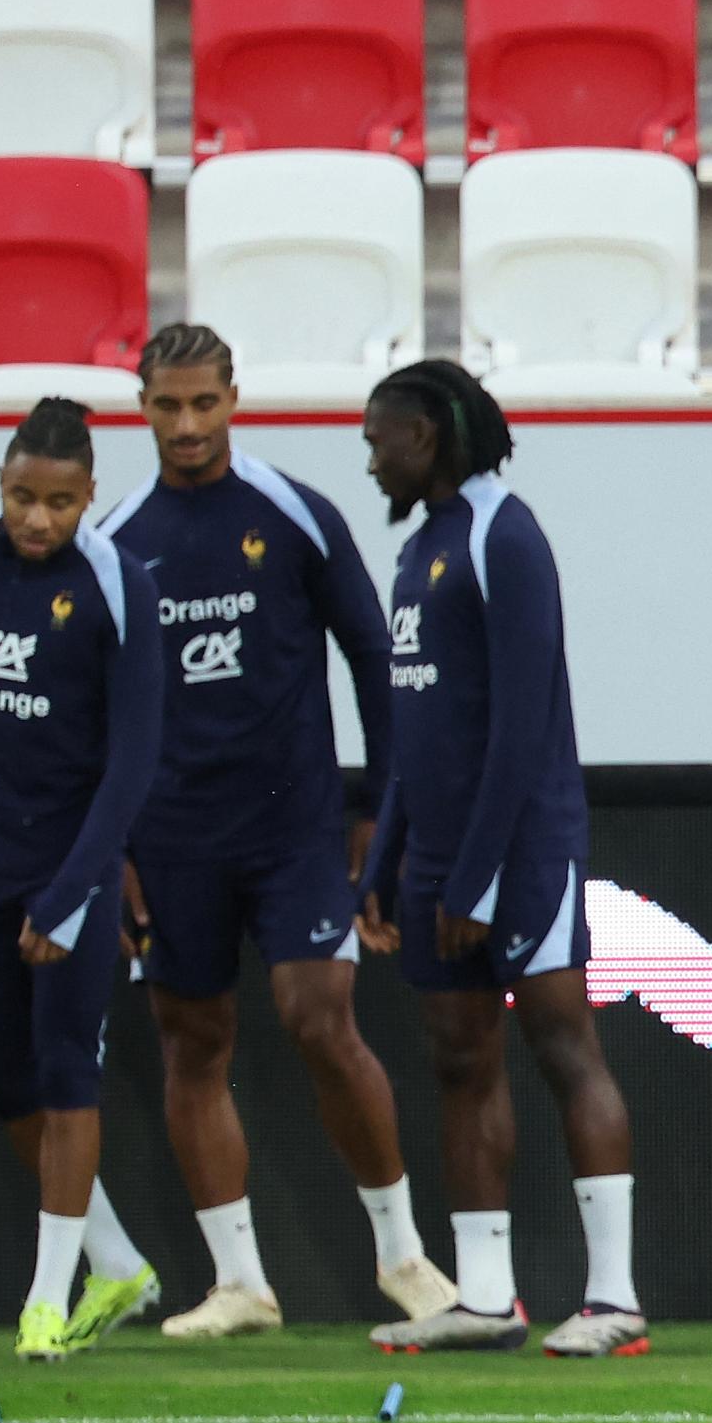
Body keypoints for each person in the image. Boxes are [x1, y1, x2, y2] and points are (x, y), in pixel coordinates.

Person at [96, 323, 449, 1338]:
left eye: (205, 403)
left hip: (294, 826)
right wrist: (114, 843)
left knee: (318, 1016)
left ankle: (404, 1256)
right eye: (168, 405)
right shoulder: (118, 536)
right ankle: (240, 1280)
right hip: (170, 834)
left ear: (235, 397)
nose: (188, 424)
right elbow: (95, 707)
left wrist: (379, 812)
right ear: (144, 406)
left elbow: (375, 660)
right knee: (191, 1041)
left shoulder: (295, 514)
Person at [353, 361, 646, 1357]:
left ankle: (614, 1299)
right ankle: (486, 1298)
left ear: (426, 435)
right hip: (439, 857)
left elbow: (523, 724)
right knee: (459, 1058)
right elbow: (415, 732)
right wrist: (385, 863)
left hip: (519, 851)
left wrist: (476, 873)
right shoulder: (419, 548)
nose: (370, 455)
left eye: (377, 437)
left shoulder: (504, 535)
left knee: (565, 1047)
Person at [0, 399, 166, 1359]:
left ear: (90, 495)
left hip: (75, 866)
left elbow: (133, 762)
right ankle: (117, 1265)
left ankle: (47, 1305)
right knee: (4, 1077)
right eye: (22, 496)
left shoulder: (121, 585)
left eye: (60, 502)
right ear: (1, 484)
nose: (38, 519)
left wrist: (71, 892)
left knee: (66, 1072)